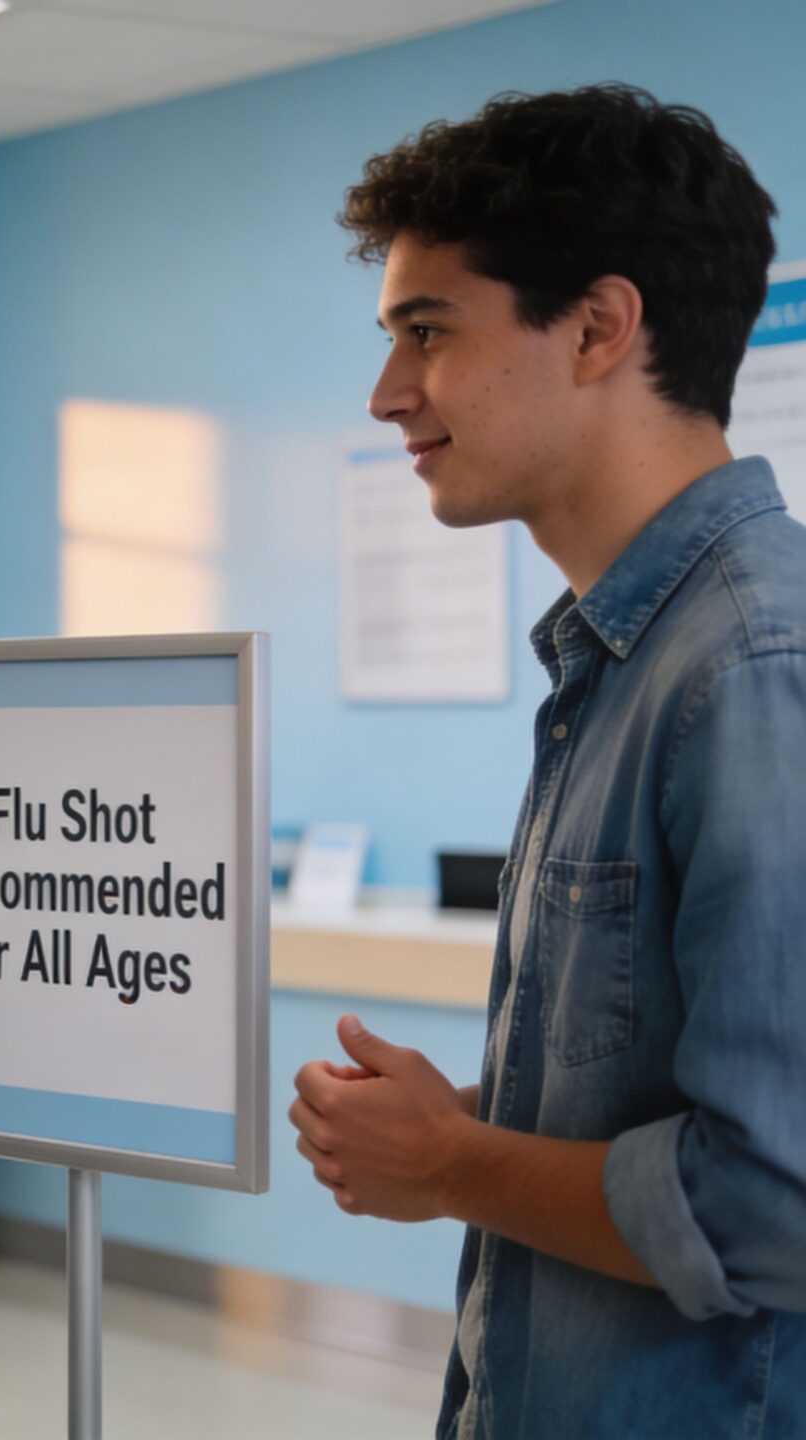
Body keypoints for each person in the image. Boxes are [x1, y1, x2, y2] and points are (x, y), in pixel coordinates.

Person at [293, 84, 806, 1437]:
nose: (387, 392)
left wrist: (457, 1162)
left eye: (428, 331)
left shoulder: (751, 673)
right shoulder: (625, 658)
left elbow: (778, 1203)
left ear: (597, 329)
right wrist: (474, 1129)